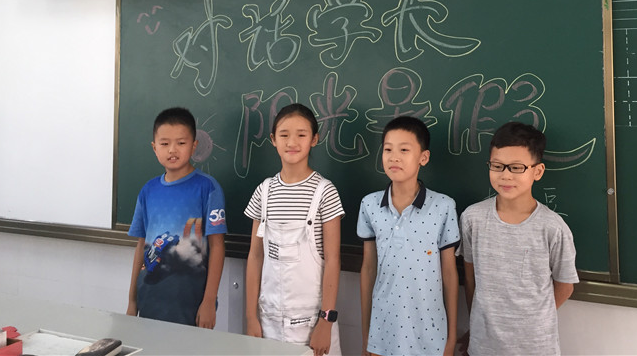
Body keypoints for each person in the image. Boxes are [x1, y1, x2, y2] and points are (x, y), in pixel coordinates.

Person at [458, 121, 579, 356]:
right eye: (497, 166)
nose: (505, 175)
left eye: (516, 167)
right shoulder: (473, 218)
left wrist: (534, 320)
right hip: (484, 346)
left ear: (538, 171)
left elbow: (565, 286)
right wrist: (476, 324)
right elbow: (471, 277)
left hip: (535, 347)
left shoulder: (553, 227)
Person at [245, 103, 344, 356]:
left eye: (301, 134)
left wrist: (326, 321)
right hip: (268, 321)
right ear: (273, 140)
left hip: (312, 324)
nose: (292, 142)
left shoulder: (325, 192)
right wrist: (251, 317)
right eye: (284, 134)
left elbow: (333, 260)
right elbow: (255, 256)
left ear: (314, 139)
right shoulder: (264, 191)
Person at [358, 116, 460, 356]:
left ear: (423, 157)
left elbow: (449, 273)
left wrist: (452, 336)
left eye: (404, 150)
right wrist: (366, 335)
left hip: (431, 335)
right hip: (382, 333)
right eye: (388, 150)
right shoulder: (370, 205)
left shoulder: (443, 206)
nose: (394, 157)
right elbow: (368, 270)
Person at [126, 107, 227, 327]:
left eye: (181, 143)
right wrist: (132, 301)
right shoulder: (148, 191)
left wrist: (209, 301)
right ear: (154, 147)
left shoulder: (208, 188)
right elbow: (141, 245)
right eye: (164, 143)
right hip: (149, 299)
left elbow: (217, 246)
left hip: (190, 304)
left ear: (194, 145)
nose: (172, 150)